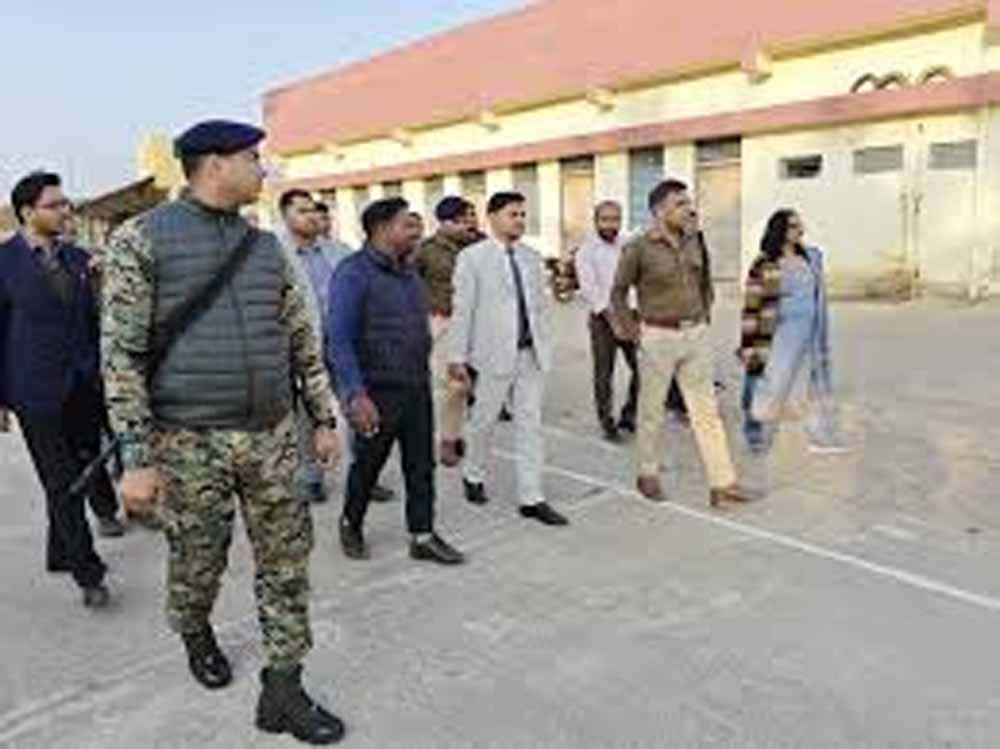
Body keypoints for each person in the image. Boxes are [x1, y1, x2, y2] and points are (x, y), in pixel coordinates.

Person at [102, 120, 345, 745]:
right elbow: (121, 355)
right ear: (215, 165)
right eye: (253, 158)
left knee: (287, 562)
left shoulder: (265, 248)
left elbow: (301, 337)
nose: (263, 169)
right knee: (198, 557)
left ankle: (283, 687)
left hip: (270, 434)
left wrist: (322, 416)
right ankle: (195, 628)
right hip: (188, 441)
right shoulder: (141, 239)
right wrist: (136, 455)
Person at [0, 171, 117, 610]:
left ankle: (59, 551)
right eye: (54, 205)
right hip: (34, 389)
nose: (65, 211)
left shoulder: (79, 259)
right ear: (27, 212)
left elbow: (91, 322)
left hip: (83, 385)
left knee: (82, 468)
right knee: (61, 481)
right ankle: (89, 572)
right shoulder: (4, 262)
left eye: (66, 203)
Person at [327, 197, 464, 565]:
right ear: (383, 229)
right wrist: (355, 394)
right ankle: (351, 523)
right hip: (376, 391)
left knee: (421, 465)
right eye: (408, 224)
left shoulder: (409, 274)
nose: (417, 231)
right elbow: (339, 339)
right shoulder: (352, 274)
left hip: (415, 385)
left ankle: (423, 535)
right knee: (368, 465)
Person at [611, 179, 758, 507]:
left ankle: (723, 484)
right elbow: (618, 292)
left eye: (689, 202)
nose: (689, 209)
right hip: (657, 336)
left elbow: (705, 282)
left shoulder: (695, 240)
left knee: (706, 412)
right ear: (658, 211)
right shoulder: (638, 248)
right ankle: (647, 474)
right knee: (651, 411)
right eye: (680, 204)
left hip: (696, 335)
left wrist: (704, 316)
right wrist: (633, 331)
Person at [448, 191, 569, 526]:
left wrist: (546, 343)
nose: (519, 220)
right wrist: (457, 355)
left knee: (530, 424)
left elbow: (540, 307)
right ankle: (473, 473)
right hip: (492, 355)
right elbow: (463, 309)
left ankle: (532, 497)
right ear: (493, 218)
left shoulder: (531, 257)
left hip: (531, 353)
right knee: (484, 420)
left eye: (522, 214)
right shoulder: (473, 258)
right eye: (512, 214)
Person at [739, 209, 848, 454]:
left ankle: (819, 435)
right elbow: (752, 306)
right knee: (767, 382)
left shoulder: (810, 258)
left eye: (800, 225)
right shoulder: (765, 263)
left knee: (813, 382)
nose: (800, 230)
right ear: (781, 231)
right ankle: (754, 432)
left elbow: (818, 294)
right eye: (793, 226)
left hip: (811, 332)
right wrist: (748, 345)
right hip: (779, 334)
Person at [413, 196, 478, 466]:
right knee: (450, 384)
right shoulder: (425, 251)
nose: (469, 224)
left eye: (471, 218)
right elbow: (410, 284)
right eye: (462, 221)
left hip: (475, 323)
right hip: (442, 321)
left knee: (468, 385)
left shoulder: (478, 246)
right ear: (444, 222)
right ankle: (445, 440)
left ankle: (456, 432)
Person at [574, 200, 639, 442]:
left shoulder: (627, 245)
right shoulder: (586, 251)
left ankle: (629, 415)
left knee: (643, 369)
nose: (611, 225)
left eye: (615, 219)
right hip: (603, 319)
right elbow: (591, 292)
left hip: (630, 315)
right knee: (604, 373)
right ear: (596, 221)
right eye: (606, 219)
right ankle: (606, 421)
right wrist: (615, 323)